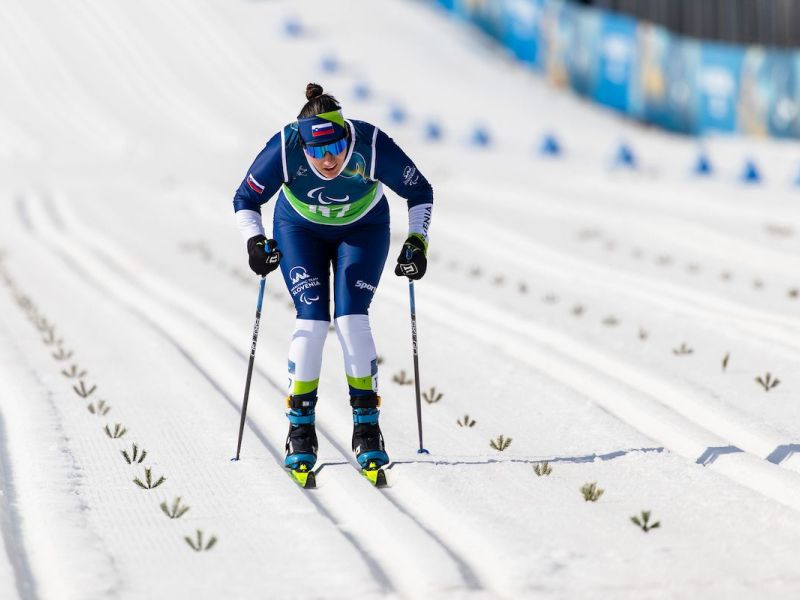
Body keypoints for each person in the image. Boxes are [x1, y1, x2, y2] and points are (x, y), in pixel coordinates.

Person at [232, 83, 433, 473]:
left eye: (335, 148)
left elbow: (420, 191)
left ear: (346, 136)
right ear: (303, 146)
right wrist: (255, 241)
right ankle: (301, 430)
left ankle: (367, 429)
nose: (328, 159)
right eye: (317, 151)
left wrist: (417, 242)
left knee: (351, 317)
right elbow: (246, 198)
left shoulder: (371, 144)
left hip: (363, 229)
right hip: (299, 229)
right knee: (311, 318)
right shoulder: (285, 149)